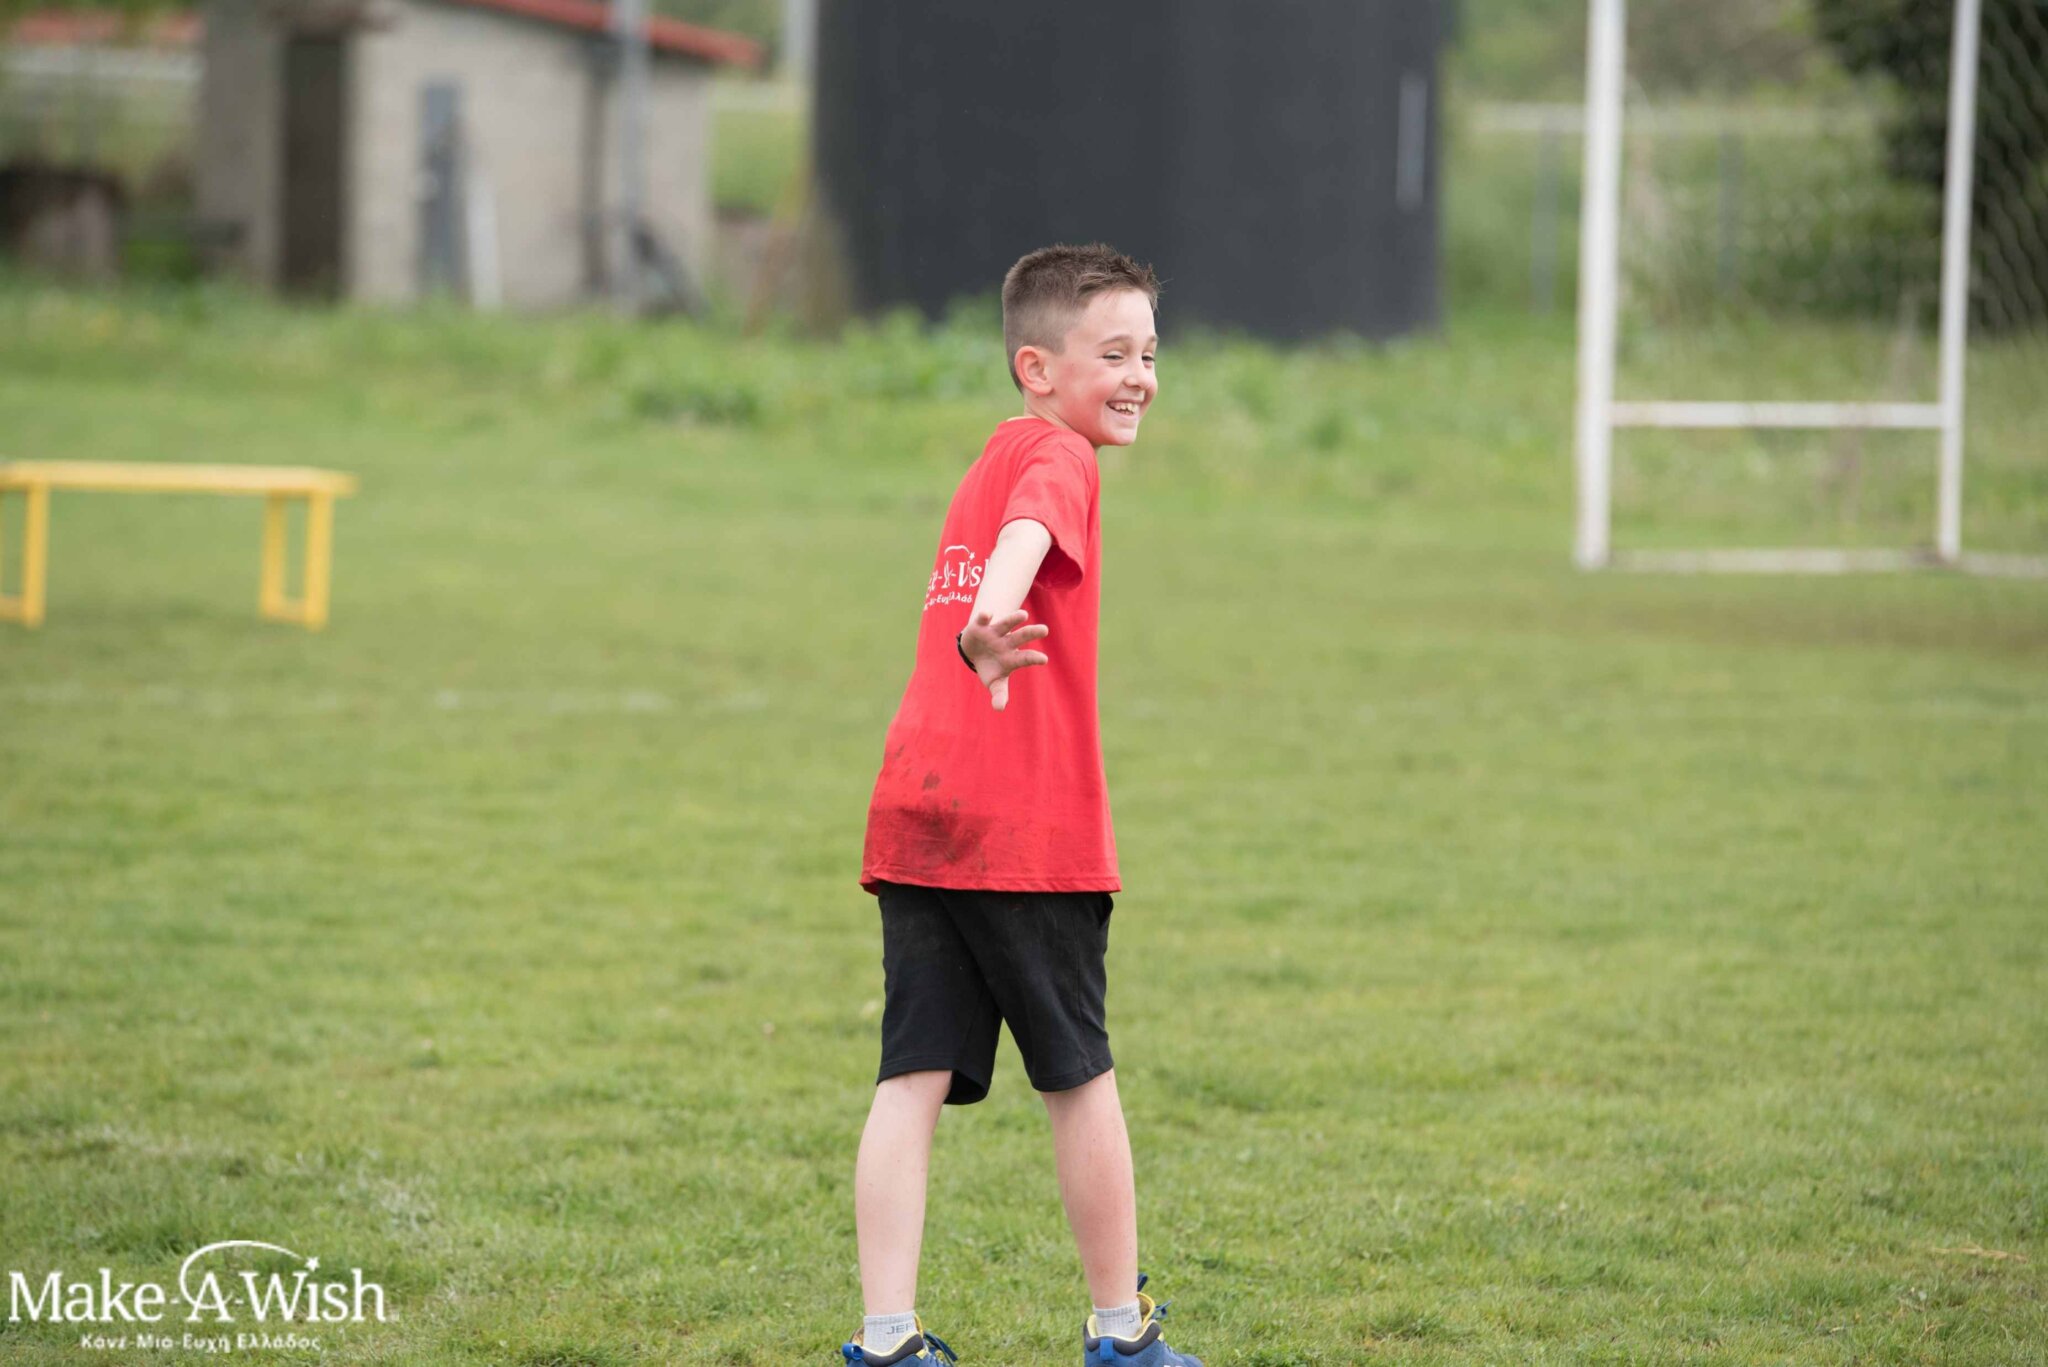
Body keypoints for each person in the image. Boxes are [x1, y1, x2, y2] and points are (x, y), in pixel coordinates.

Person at [841, 244, 1202, 1367]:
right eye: (1114, 354)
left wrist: (979, 617)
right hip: (1021, 828)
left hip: (919, 808)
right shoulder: (1056, 455)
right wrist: (987, 620)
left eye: (1149, 354)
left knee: (909, 1077)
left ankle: (887, 1338)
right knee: (1080, 1079)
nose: (1140, 376)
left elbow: (1006, 532)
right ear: (1036, 368)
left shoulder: (990, 456)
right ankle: (1120, 1334)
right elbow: (1024, 541)